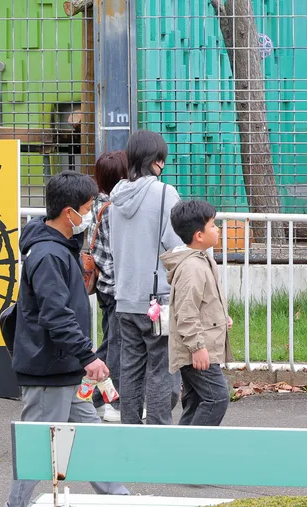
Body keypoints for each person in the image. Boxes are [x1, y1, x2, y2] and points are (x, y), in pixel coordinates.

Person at [6, 170, 130, 507]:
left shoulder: (55, 246)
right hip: (49, 369)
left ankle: (121, 498)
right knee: (36, 452)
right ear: (69, 212)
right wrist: (88, 356)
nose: (89, 215)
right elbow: (55, 314)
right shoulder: (49, 254)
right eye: (88, 208)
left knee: (88, 440)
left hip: (61, 367)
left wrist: (81, 357)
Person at [110, 130, 183, 425]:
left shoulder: (116, 198)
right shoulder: (165, 193)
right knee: (161, 369)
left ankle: (130, 428)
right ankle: (157, 431)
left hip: (125, 297)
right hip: (158, 299)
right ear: (158, 161)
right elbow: (176, 246)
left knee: (130, 368)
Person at [161, 200, 234, 427]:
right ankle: (196, 447)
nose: (218, 229)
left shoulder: (201, 260)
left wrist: (221, 319)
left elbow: (204, 303)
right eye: (213, 225)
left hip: (202, 346)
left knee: (196, 400)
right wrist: (197, 346)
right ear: (199, 235)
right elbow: (186, 312)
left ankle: (183, 451)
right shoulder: (192, 267)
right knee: (217, 397)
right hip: (199, 350)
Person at [86, 150, 128, 423]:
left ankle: (94, 398)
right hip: (115, 287)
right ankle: (97, 397)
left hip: (103, 285)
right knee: (116, 347)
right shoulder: (114, 210)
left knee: (111, 342)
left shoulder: (95, 203)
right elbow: (115, 254)